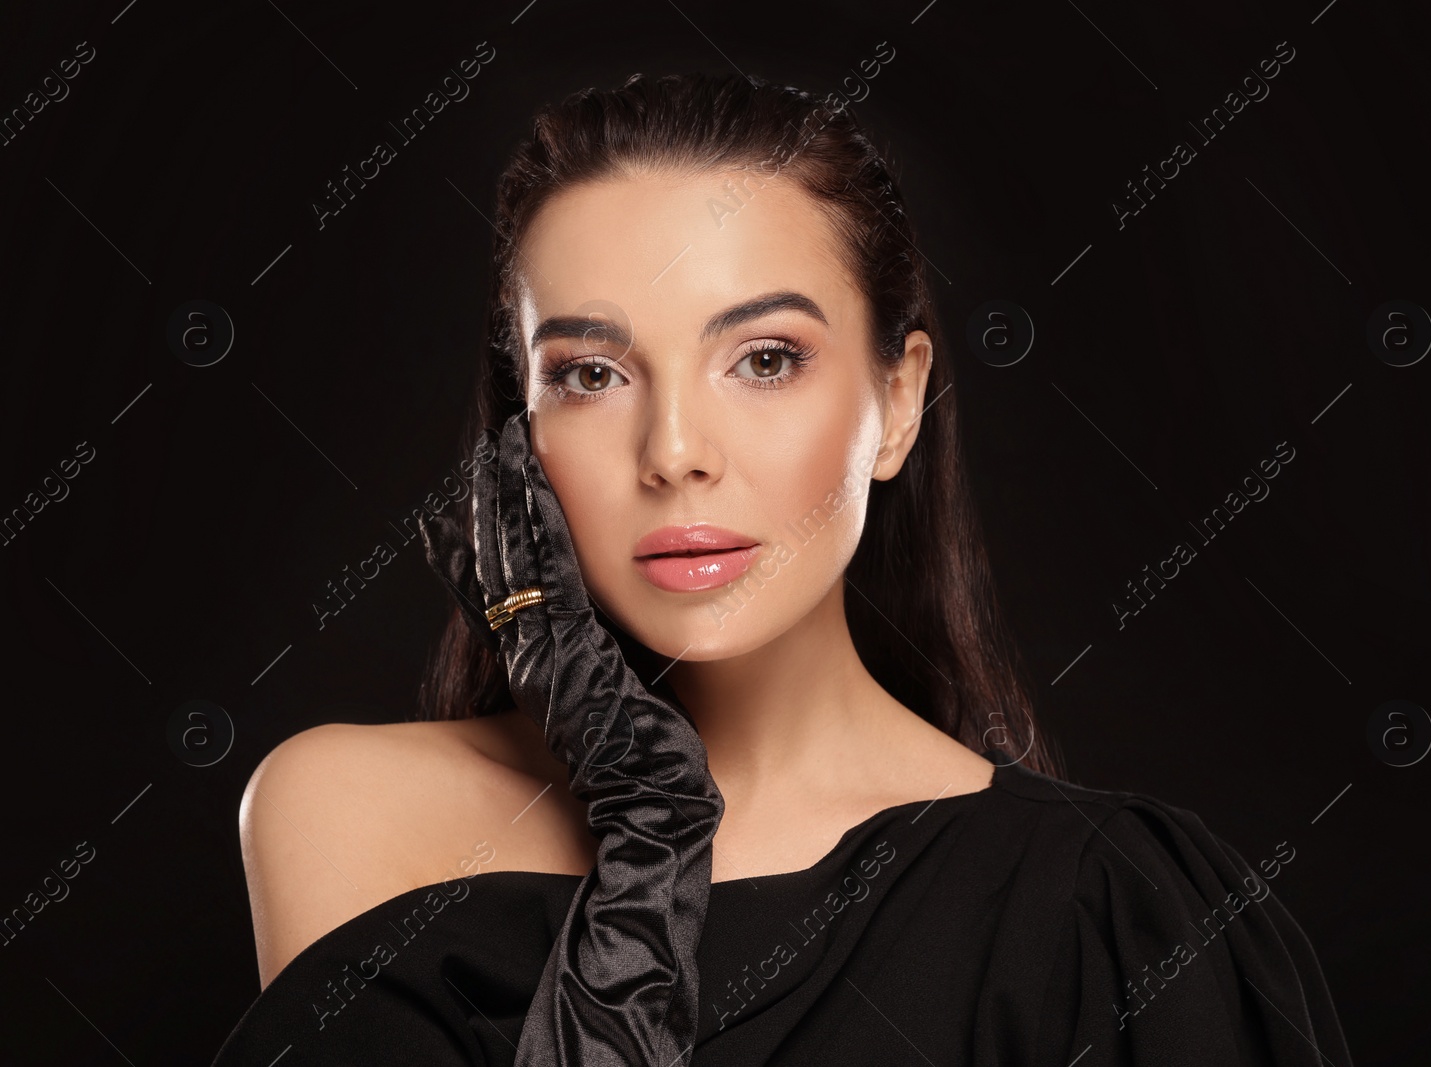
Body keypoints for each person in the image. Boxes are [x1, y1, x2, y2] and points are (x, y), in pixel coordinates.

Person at [211, 72, 1350, 1066]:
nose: (674, 454)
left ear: (897, 400)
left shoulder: (1109, 907)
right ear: (519, 433)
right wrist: (645, 817)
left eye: (764, 358)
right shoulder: (348, 812)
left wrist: (653, 828)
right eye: (591, 374)